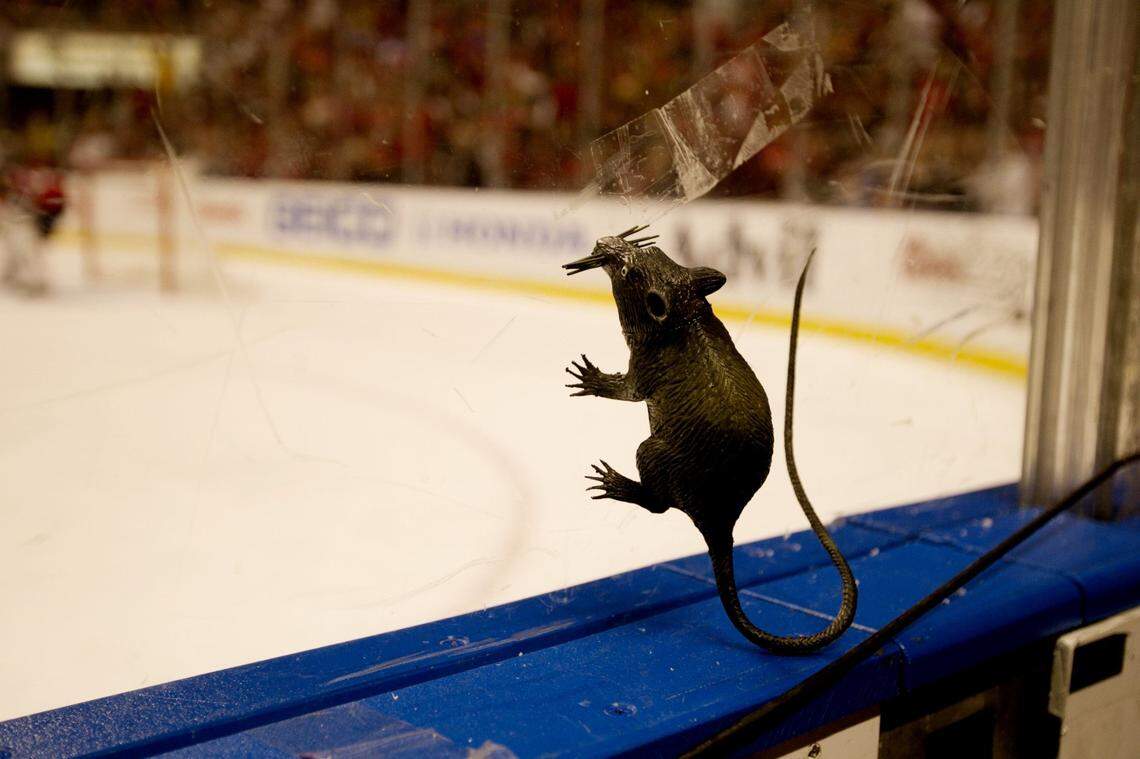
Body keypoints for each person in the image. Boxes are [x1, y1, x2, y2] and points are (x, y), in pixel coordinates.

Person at [1, 157, 66, 296]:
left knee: (29, 254)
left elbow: (52, 207)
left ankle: (36, 281)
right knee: (23, 253)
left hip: (27, 224)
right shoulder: (21, 189)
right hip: (22, 224)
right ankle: (27, 278)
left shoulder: (37, 188)